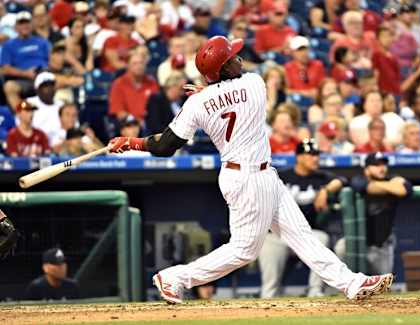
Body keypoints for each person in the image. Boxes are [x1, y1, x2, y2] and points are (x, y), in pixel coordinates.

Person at [108, 35, 394, 304]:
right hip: (247, 178)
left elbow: (164, 146)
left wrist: (130, 142)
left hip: (257, 174)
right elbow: (231, 92)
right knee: (244, 250)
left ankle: (351, 283)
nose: (240, 58)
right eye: (232, 57)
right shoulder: (256, 84)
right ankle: (174, 277)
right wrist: (209, 92)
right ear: (223, 68)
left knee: (301, 235)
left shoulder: (197, 103)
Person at [258, 139, 346, 298]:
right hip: (279, 234)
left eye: (317, 154)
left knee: (322, 238)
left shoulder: (321, 177)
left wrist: (325, 190)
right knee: (267, 243)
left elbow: (342, 180)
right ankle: (268, 295)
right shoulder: (281, 175)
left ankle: (315, 291)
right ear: (299, 157)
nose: (315, 158)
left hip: (306, 234)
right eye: (310, 155)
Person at [338, 153, 412, 275]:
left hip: (380, 245)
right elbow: (362, 186)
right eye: (376, 165)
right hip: (357, 243)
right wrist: (390, 187)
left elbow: (404, 189)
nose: (381, 168)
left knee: (384, 285)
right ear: (366, 169)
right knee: (341, 248)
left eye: (383, 164)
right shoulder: (359, 179)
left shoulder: (392, 177)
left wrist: (376, 185)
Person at [1, 11, 50, 110]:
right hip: (23, 80)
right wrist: (25, 73)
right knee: (9, 87)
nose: (24, 26)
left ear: (32, 25)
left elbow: (52, 59)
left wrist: (45, 71)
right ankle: (23, 116)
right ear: (16, 27)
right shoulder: (9, 45)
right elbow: (5, 69)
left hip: (44, 76)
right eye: (21, 23)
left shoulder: (42, 42)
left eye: (27, 22)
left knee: (68, 81)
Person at [109, 50, 159, 122]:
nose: (139, 66)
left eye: (141, 63)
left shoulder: (152, 83)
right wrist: (136, 121)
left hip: (151, 124)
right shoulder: (119, 84)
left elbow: (158, 108)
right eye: (134, 64)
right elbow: (119, 113)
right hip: (130, 125)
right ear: (128, 65)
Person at [27, 72, 63, 147]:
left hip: (60, 147)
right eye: (45, 86)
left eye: (51, 86)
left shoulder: (61, 105)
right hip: (36, 146)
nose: (49, 89)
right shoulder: (29, 103)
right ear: (37, 89)